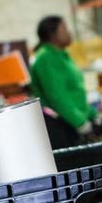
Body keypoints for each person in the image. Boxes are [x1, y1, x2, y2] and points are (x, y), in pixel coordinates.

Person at [30, 16, 94, 147]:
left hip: (73, 122)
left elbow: (75, 91)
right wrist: (80, 122)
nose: (69, 32)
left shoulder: (62, 56)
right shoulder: (46, 58)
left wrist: (92, 114)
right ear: (52, 34)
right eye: (64, 28)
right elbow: (57, 96)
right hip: (62, 126)